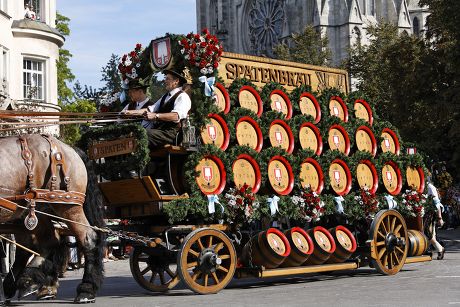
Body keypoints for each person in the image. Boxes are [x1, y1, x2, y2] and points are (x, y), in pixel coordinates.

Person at [124, 70, 191, 149]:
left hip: (171, 134)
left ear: (176, 81)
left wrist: (156, 116)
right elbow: (150, 110)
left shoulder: (182, 96)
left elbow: (176, 116)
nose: (164, 81)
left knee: (142, 133)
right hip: (160, 132)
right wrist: (130, 112)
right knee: (137, 131)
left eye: (167, 79)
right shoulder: (165, 96)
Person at [426, 174, 446, 260]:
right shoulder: (420, 187)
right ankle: (437, 249)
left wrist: (439, 218)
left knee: (429, 234)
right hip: (424, 214)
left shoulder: (430, 187)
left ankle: (440, 249)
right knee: (430, 235)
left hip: (430, 214)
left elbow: (437, 204)